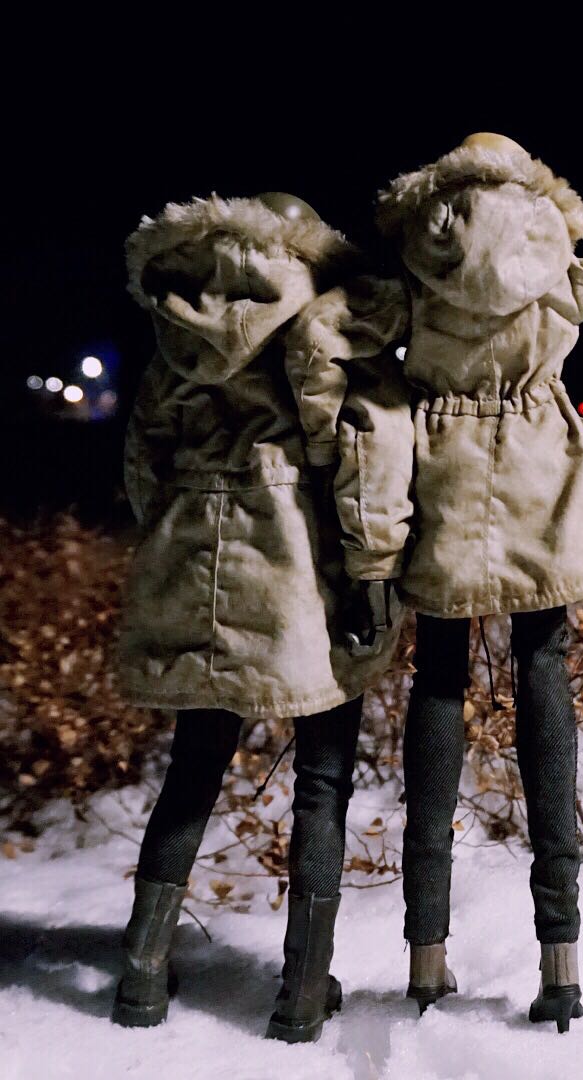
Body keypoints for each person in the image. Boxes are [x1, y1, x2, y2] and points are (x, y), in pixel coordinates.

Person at [373, 133, 583, 1031]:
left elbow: (339, 324)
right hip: (541, 478)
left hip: (441, 479)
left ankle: (426, 957)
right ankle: (561, 964)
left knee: (438, 681)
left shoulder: (417, 265)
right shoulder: (554, 261)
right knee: (545, 672)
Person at [113, 192, 413, 1042]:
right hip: (298, 561)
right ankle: (303, 991)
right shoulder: (323, 319)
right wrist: (374, 570)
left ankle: (141, 975)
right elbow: (367, 452)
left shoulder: (178, 321)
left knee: (194, 765)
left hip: (192, 552)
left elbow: (142, 460)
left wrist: (177, 533)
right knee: (322, 775)